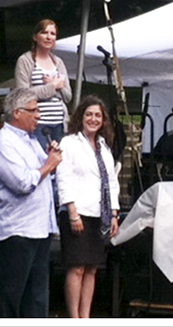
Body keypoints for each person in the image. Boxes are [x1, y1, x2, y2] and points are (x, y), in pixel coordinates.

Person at [0, 88, 63, 317]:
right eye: (34, 110)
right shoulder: (4, 143)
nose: (39, 115)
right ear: (17, 113)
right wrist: (48, 164)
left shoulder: (31, 140)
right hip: (17, 231)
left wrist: (50, 163)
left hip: (39, 228)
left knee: (37, 296)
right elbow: (22, 183)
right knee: (10, 296)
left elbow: (43, 176)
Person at [56, 96, 120, 318]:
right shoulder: (70, 143)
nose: (93, 119)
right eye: (89, 114)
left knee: (92, 268)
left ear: (103, 120)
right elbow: (63, 179)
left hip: (98, 214)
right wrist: (72, 212)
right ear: (81, 117)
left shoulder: (103, 146)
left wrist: (113, 213)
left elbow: (111, 181)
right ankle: (74, 317)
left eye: (98, 115)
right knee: (77, 268)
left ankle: (86, 316)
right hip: (77, 213)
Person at [14, 19, 72, 151]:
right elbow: (23, 95)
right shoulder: (25, 61)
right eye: (44, 32)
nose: (48, 37)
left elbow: (68, 96)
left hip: (59, 123)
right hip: (37, 124)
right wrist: (52, 87)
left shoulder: (58, 63)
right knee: (41, 161)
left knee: (57, 162)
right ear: (35, 37)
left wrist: (58, 85)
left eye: (52, 34)